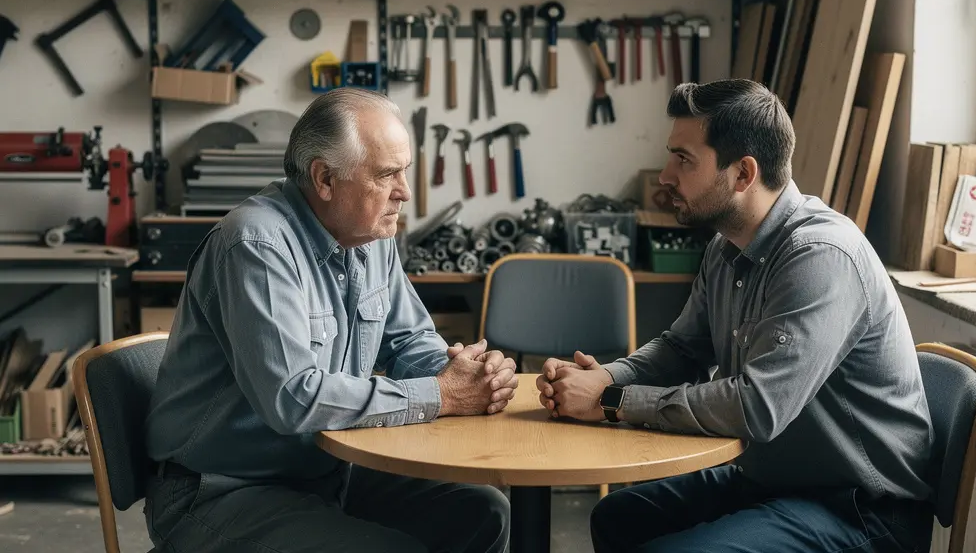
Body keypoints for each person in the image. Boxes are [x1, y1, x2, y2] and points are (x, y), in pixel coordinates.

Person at [538, 79, 936, 552]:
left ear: (743, 173)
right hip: (774, 483)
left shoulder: (820, 257)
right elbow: (683, 348)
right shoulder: (725, 248)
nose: (665, 176)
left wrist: (613, 399)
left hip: (859, 510)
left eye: (683, 158)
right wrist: (602, 377)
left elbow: (757, 407)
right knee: (619, 516)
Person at [144, 88, 517, 553]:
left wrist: (463, 373)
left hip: (323, 470)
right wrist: (442, 394)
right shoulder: (256, 245)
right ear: (324, 178)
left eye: (405, 171)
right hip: (220, 491)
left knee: (484, 511)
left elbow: (409, 341)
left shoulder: (370, 232)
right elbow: (293, 398)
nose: (404, 192)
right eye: (387, 175)